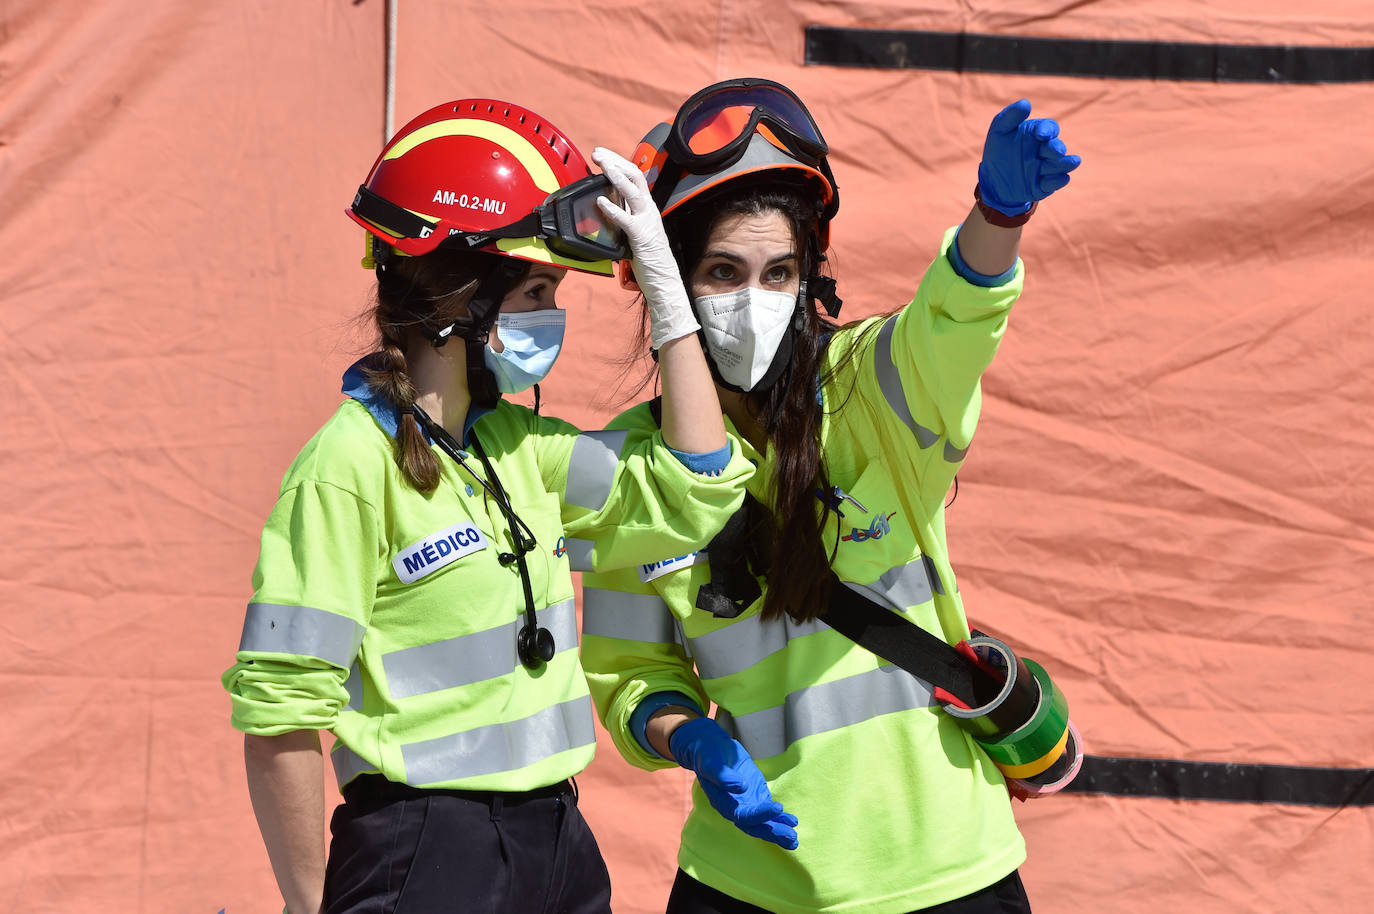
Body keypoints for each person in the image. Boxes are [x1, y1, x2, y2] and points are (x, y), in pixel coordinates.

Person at [222, 97, 754, 914]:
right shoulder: (346, 466)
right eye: (537, 289)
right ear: (458, 293)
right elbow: (280, 715)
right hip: (420, 850)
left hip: (557, 842)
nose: (553, 315)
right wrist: (306, 904)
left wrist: (667, 297)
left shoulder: (519, 446)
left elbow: (697, 484)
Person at [580, 78, 1082, 913]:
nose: (754, 300)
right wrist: (689, 737)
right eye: (722, 272)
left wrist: (997, 218)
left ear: (809, 275)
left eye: (778, 272)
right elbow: (631, 672)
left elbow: (953, 322)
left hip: (946, 874)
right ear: (669, 283)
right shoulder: (625, 464)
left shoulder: (871, 387)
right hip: (744, 881)